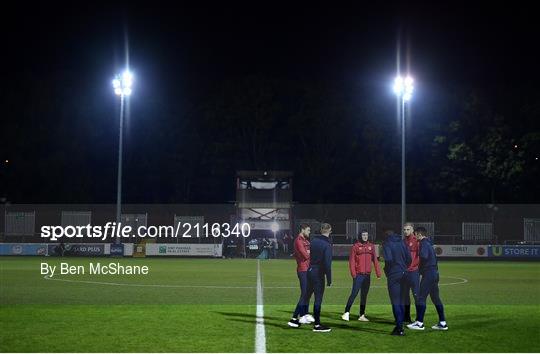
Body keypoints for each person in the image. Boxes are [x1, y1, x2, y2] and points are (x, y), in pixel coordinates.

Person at [407, 227, 449, 331]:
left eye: (415, 234)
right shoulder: (429, 243)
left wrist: (418, 265)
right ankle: (443, 323)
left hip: (429, 274)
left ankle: (419, 323)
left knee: (421, 298)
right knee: (435, 298)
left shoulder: (423, 244)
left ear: (419, 235)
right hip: (435, 273)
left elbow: (424, 256)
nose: (415, 237)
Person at [342, 230, 381, 322]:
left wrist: (378, 273)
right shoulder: (355, 246)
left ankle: (362, 315)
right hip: (358, 275)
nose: (365, 236)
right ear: (360, 236)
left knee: (364, 295)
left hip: (367, 275)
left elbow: (375, 260)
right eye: (363, 235)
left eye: (366, 235)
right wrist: (353, 274)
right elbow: (351, 261)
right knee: (354, 294)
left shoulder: (371, 246)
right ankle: (346, 312)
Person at [383, 229, 412, 336]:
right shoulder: (402, 242)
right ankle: (400, 324)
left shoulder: (387, 243)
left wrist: (387, 269)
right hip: (405, 273)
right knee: (401, 300)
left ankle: (399, 328)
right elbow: (409, 258)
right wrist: (403, 267)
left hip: (394, 275)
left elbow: (389, 259)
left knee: (395, 301)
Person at [307, 223, 333, 332]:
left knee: (306, 296)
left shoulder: (313, 241)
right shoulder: (327, 244)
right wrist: (329, 278)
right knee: (318, 299)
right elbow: (327, 264)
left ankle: (300, 317)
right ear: (330, 231)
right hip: (318, 273)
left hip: (310, 271)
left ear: (321, 230)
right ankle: (317, 325)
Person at [287, 224, 315, 327]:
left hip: (308, 269)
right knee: (304, 294)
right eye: (308, 230)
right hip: (303, 270)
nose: (309, 232)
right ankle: (294, 318)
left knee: (307, 294)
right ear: (302, 230)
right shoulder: (298, 241)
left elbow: (309, 252)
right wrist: (313, 253)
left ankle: (304, 314)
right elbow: (306, 255)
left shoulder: (306, 241)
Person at [402, 222, 420, 323]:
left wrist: (414, 266)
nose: (406, 231)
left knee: (416, 295)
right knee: (405, 296)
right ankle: (406, 317)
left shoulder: (417, 241)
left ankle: (418, 319)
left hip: (414, 272)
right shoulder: (403, 242)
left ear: (412, 230)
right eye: (404, 229)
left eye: (408, 229)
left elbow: (420, 257)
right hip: (405, 273)